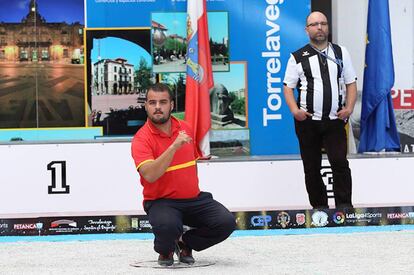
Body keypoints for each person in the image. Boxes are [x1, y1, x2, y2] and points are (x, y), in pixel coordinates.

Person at [131, 83, 236, 266]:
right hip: (161, 201)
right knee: (168, 227)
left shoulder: (186, 127)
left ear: (171, 105)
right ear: (146, 105)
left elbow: (191, 159)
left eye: (163, 102)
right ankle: (166, 250)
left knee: (226, 223)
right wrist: (173, 147)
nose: (157, 107)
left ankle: (186, 243)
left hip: (193, 200)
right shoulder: (141, 139)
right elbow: (150, 175)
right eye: (152, 102)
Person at [283, 11, 357, 209]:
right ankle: (320, 211)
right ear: (307, 30)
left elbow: (351, 83)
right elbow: (287, 87)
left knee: (339, 163)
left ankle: (345, 209)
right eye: (314, 24)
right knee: (311, 167)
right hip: (307, 123)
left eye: (323, 23)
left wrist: (349, 107)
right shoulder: (297, 57)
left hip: (334, 121)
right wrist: (294, 110)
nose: (320, 27)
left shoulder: (341, 52)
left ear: (328, 28)